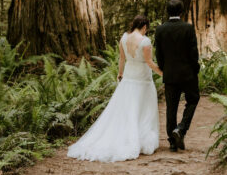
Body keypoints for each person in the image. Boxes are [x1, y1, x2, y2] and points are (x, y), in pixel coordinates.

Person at [67, 15, 162, 163]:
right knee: (144, 109)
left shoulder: (124, 38)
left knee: (127, 109)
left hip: (129, 78)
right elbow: (149, 62)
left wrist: (120, 73)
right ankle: (141, 140)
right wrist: (162, 73)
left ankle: (129, 136)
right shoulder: (145, 41)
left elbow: (122, 59)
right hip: (143, 79)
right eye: (146, 29)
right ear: (144, 27)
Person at [155, 0, 200, 151]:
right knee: (193, 100)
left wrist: (164, 69)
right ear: (181, 12)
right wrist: (196, 68)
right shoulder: (188, 28)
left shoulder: (160, 29)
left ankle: (172, 142)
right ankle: (181, 129)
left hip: (170, 75)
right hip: (188, 74)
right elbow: (193, 52)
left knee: (171, 107)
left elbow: (159, 54)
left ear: (168, 12)